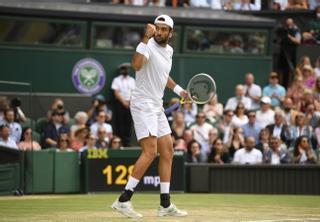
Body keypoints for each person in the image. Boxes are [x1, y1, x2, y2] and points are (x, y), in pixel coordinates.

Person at [112, 15, 188, 218]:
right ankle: (123, 200)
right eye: (158, 28)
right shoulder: (147, 45)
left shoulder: (169, 51)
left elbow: (163, 77)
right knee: (150, 151)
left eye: (164, 29)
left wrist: (180, 90)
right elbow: (137, 65)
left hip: (157, 105)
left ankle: (165, 205)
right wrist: (144, 39)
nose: (160, 32)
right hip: (142, 103)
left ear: (171, 33)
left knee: (168, 150)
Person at [111, 62, 136, 146]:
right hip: (120, 104)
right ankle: (120, 142)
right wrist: (124, 102)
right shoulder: (116, 80)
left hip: (130, 104)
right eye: (124, 69)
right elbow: (116, 92)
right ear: (121, 70)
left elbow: (134, 92)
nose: (126, 70)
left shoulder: (132, 80)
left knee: (128, 124)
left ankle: (127, 143)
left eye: (127, 69)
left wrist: (130, 102)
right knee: (120, 123)